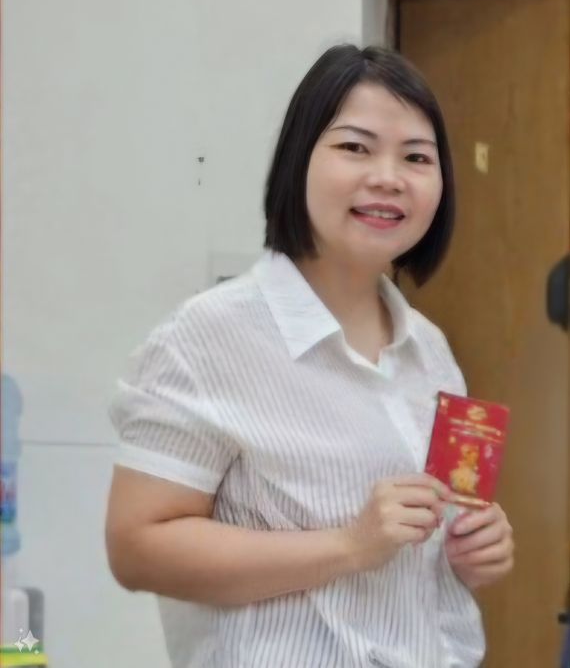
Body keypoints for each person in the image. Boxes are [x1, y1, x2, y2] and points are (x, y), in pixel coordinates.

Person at [105, 44, 514, 668]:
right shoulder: (209, 337)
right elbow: (137, 550)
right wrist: (349, 545)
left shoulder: (430, 350)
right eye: (355, 147)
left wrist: (469, 553)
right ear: (299, 160)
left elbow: (419, 550)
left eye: (416, 157)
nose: (389, 177)